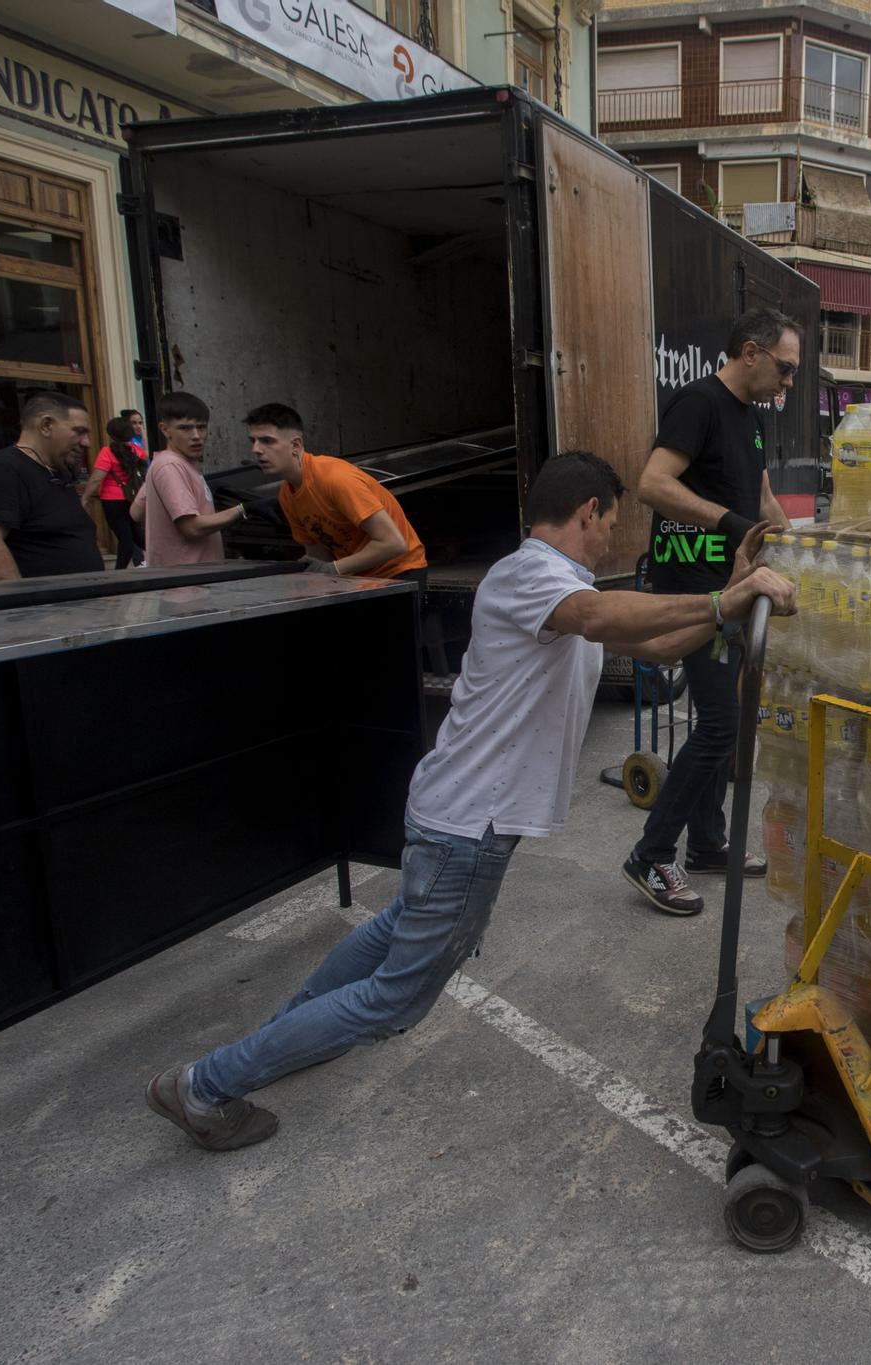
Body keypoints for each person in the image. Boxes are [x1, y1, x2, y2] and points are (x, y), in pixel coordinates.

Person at [145, 452, 796, 1151]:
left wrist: (726, 595)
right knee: (396, 997)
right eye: (610, 521)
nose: (611, 536)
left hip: (454, 815)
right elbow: (598, 613)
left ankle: (290, 1031)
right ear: (589, 512)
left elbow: (657, 641)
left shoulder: (558, 585)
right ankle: (206, 1084)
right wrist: (723, 602)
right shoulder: (532, 577)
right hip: (467, 827)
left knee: (394, 930)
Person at [622, 308, 797, 917]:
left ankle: (707, 842)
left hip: (734, 584)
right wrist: (731, 524)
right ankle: (651, 854)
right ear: (751, 352)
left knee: (728, 714)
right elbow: (651, 482)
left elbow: (762, 496)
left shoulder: (751, 418)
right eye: (785, 368)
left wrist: (799, 543)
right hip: (695, 586)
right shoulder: (697, 403)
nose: (789, 383)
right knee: (722, 721)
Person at [246, 403, 426, 582]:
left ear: (296, 445)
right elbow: (318, 557)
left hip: (399, 574)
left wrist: (333, 568)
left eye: (267, 441)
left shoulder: (336, 479)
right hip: (356, 579)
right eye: (253, 441)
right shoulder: (287, 494)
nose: (256, 450)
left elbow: (394, 543)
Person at [0, 391, 101, 581]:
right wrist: (21, 600)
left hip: (73, 605)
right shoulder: (2, 469)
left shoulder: (56, 471)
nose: (86, 442)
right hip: (39, 608)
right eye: (79, 432)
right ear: (46, 426)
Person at [133, 390, 244, 567]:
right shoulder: (170, 466)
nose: (196, 436)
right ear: (164, 429)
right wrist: (241, 510)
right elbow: (192, 527)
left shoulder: (166, 463)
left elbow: (135, 512)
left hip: (193, 578)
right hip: (185, 582)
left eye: (201, 427)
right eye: (185, 428)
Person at [83, 416, 148, 568]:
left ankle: (118, 573)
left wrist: (85, 497)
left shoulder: (107, 452)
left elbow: (97, 478)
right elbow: (145, 453)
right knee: (137, 535)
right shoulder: (135, 450)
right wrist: (143, 434)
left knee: (125, 539)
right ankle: (165, 557)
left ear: (111, 434)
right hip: (132, 498)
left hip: (112, 501)